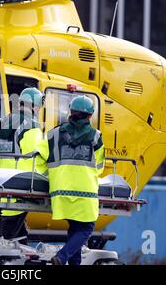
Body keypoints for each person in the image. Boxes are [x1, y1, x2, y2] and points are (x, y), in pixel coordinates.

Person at [47, 95, 105, 265]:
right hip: (85, 193)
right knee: (86, 229)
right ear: (89, 116)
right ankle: (61, 257)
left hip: (61, 192)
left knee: (75, 230)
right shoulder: (95, 136)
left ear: (70, 112)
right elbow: (100, 166)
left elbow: (43, 157)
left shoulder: (55, 133)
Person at [0, 87, 49, 244]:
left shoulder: (5, 121)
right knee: (8, 238)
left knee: (17, 235)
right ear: (35, 105)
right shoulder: (31, 125)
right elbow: (36, 155)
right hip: (21, 184)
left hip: (1, 181)